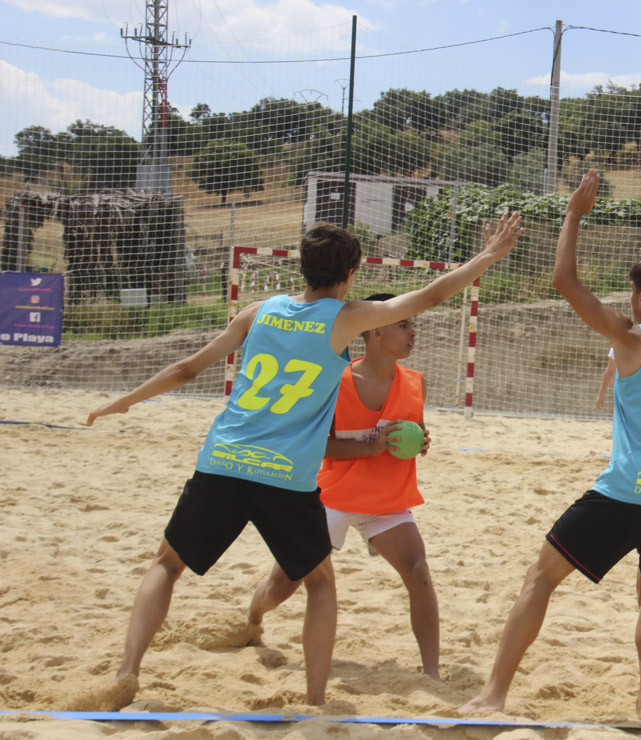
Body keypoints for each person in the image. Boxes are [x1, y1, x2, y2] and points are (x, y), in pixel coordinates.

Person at [82, 214, 522, 710]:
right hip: (284, 475)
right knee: (319, 584)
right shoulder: (345, 319)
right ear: (352, 272)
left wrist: (125, 401)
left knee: (166, 564)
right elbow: (430, 295)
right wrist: (487, 257)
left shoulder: (258, 310)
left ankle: (127, 671)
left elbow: (188, 368)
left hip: (223, 459)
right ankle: (314, 700)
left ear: (302, 267)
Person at [460, 169, 641, 717]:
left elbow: (566, 282)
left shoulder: (631, 338)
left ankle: (493, 694)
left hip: (626, 492)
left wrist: (574, 215)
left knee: (540, 578)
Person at [249, 292, 441, 680]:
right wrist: (366, 447)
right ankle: (254, 616)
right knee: (282, 585)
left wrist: (420, 441)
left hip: (386, 500)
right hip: (333, 496)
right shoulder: (333, 381)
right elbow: (313, 442)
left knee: (418, 572)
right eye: (403, 324)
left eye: (411, 324)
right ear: (373, 332)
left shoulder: (414, 383)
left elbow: (407, 437)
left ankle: (432, 673)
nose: (412, 332)